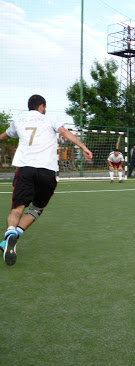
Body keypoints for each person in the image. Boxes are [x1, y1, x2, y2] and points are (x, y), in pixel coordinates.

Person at [0, 94, 93, 266]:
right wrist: (83, 147)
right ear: (41, 107)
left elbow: (5, 135)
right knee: (36, 208)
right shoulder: (49, 119)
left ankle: (10, 234)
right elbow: (64, 132)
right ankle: (15, 236)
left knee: (17, 209)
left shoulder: (19, 120)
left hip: (25, 169)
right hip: (47, 171)